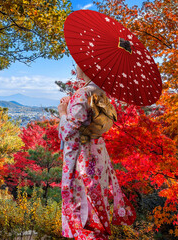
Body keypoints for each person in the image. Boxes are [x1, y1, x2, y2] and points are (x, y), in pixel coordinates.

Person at [57, 66, 136, 240]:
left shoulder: (83, 93)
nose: (76, 66)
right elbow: (88, 119)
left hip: (81, 155)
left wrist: (63, 112)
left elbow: (67, 132)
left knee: (79, 197)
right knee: (95, 195)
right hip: (98, 153)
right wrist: (72, 103)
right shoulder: (101, 92)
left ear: (85, 68)